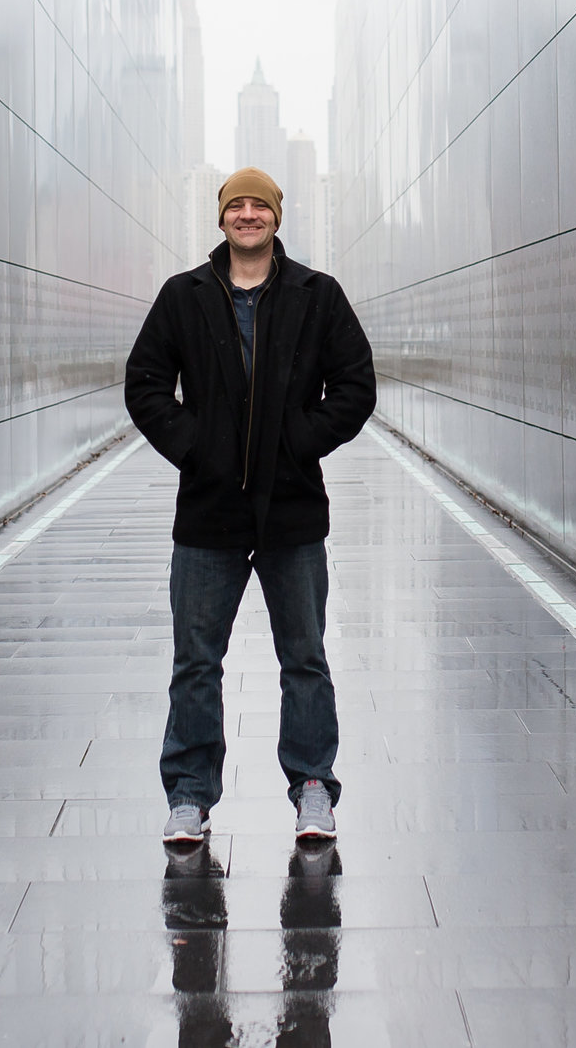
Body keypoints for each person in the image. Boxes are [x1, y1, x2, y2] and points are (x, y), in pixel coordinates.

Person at [125, 167, 376, 846]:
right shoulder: (184, 297)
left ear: (275, 216)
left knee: (305, 656)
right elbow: (145, 383)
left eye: (258, 204)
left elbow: (355, 385)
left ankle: (313, 787)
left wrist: (300, 440)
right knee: (197, 660)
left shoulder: (317, 296)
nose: (246, 214)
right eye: (235, 204)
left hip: (293, 510)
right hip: (209, 513)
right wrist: (197, 446)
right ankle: (189, 795)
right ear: (221, 217)